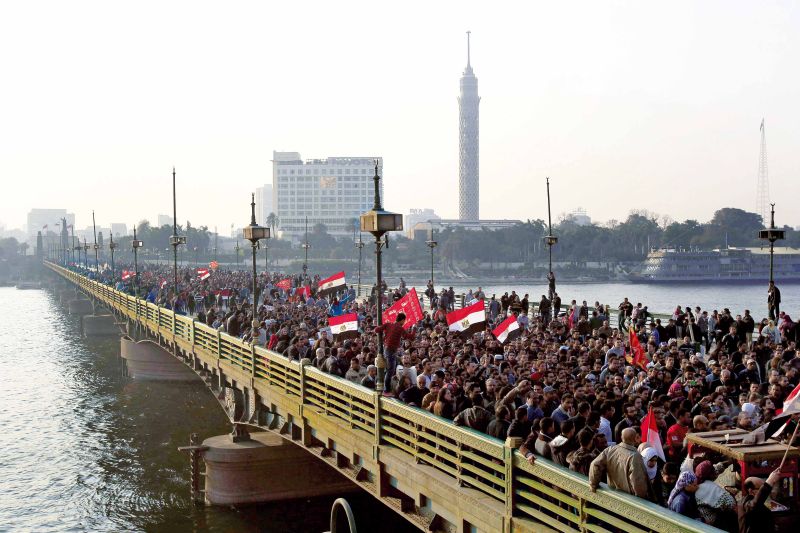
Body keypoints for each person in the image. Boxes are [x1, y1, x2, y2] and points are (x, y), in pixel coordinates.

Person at [588, 427, 649, 498]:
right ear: (635, 438)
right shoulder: (635, 457)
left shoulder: (610, 450)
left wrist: (593, 485)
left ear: (621, 437)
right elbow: (638, 483)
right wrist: (641, 499)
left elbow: (595, 464)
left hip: (612, 494)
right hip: (628, 499)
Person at [374, 312, 416, 393]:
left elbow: (376, 330)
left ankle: (385, 387)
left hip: (386, 349)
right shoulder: (400, 328)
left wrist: (384, 332)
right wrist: (414, 329)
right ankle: (386, 390)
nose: (404, 323)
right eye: (404, 321)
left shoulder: (388, 324)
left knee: (389, 370)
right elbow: (409, 337)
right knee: (390, 371)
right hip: (391, 351)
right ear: (402, 320)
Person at [738, 468, 781, 533]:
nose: (762, 490)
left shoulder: (758, 503)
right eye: (760, 488)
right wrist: (770, 481)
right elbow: (754, 505)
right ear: (751, 491)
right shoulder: (745, 503)